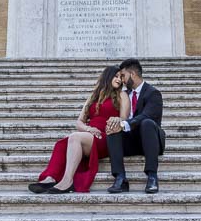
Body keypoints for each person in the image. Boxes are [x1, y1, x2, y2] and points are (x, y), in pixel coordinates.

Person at [29, 65, 130, 194]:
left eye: (121, 77)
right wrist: (89, 129)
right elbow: (79, 121)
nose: (119, 80)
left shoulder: (122, 95)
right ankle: (50, 178)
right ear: (107, 77)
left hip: (107, 137)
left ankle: (67, 181)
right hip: (90, 134)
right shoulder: (94, 96)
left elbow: (124, 120)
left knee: (75, 137)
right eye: (116, 76)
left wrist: (115, 122)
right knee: (61, 144)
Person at [105, 58, 166, 194]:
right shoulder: (123, 95)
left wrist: (124, 124)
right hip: (130, 142)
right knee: (113, 127)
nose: (122, 80)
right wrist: (115, 123)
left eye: (123, 76)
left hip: (151, 142)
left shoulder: (153, 93)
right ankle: (120, 178)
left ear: (132, 74)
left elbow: (146, 115)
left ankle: (152, 176)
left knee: (147, 123)